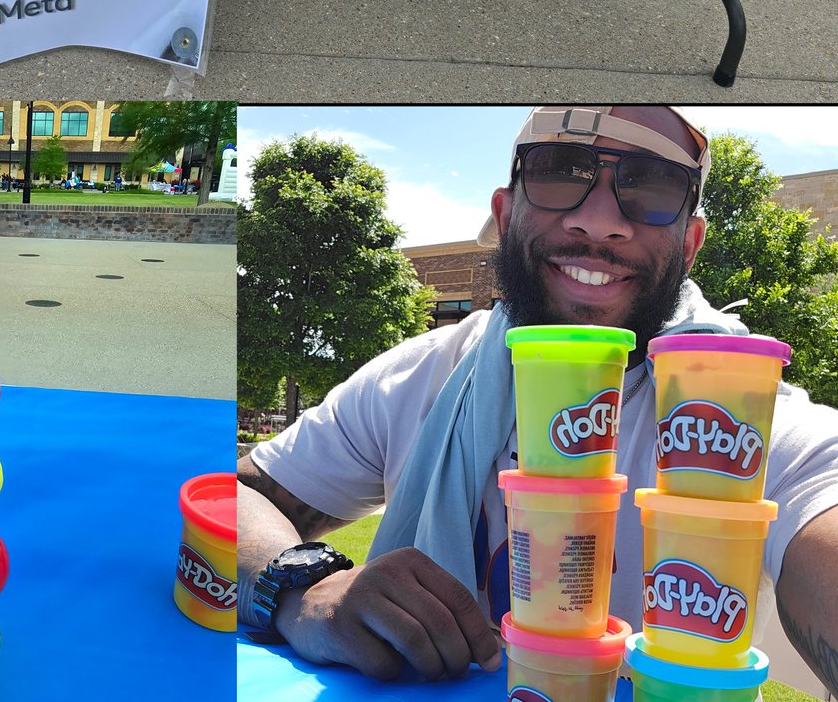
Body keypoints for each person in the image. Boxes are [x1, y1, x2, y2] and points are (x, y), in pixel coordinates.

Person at [237, 106, 838, 694]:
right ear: (504, 215)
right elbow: (230, 497)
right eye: (559, 173)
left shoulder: (743, 420)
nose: (600, 221)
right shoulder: (422, 376)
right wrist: (304, 587)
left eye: (653, 188)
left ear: (689, 244)